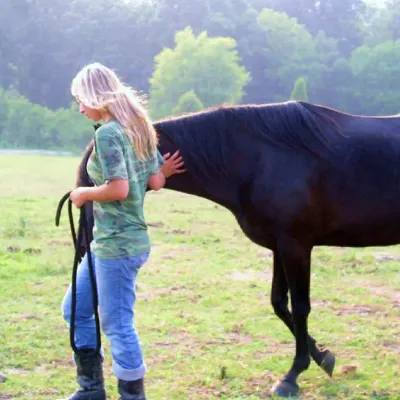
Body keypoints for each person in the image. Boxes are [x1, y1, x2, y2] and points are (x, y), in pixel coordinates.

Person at [62, 62, 185, 400]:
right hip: (112, 243)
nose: (80, 107)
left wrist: (83, 193)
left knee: (118, 325)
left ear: (93, 95)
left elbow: (119, 188)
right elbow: (155, 181)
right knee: (74, 308)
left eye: (80, 99)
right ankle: (91, 389)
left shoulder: (109, 134)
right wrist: (164, 170)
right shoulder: (139, 127)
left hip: (118, 246)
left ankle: (133, 396)